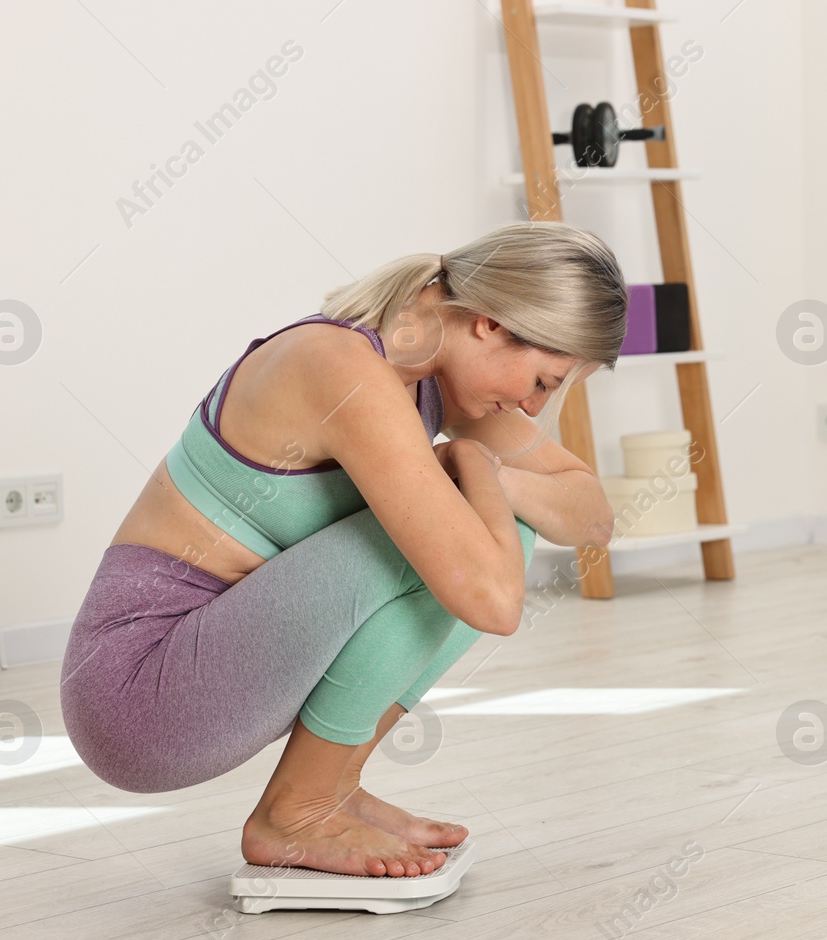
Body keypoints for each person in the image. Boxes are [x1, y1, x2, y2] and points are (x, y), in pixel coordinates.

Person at [59, 221, 627, 878]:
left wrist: (488, 471)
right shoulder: (342, 369)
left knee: (494, 521)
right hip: (138, 694)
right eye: (545, 381)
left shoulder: (432, 378)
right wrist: (469, 461)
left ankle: (329, 787)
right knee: (456, 539)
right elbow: (495, 601)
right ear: (492, 324)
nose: (531, 407)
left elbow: (593, 516)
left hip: (216, 664)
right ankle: (295, 811)